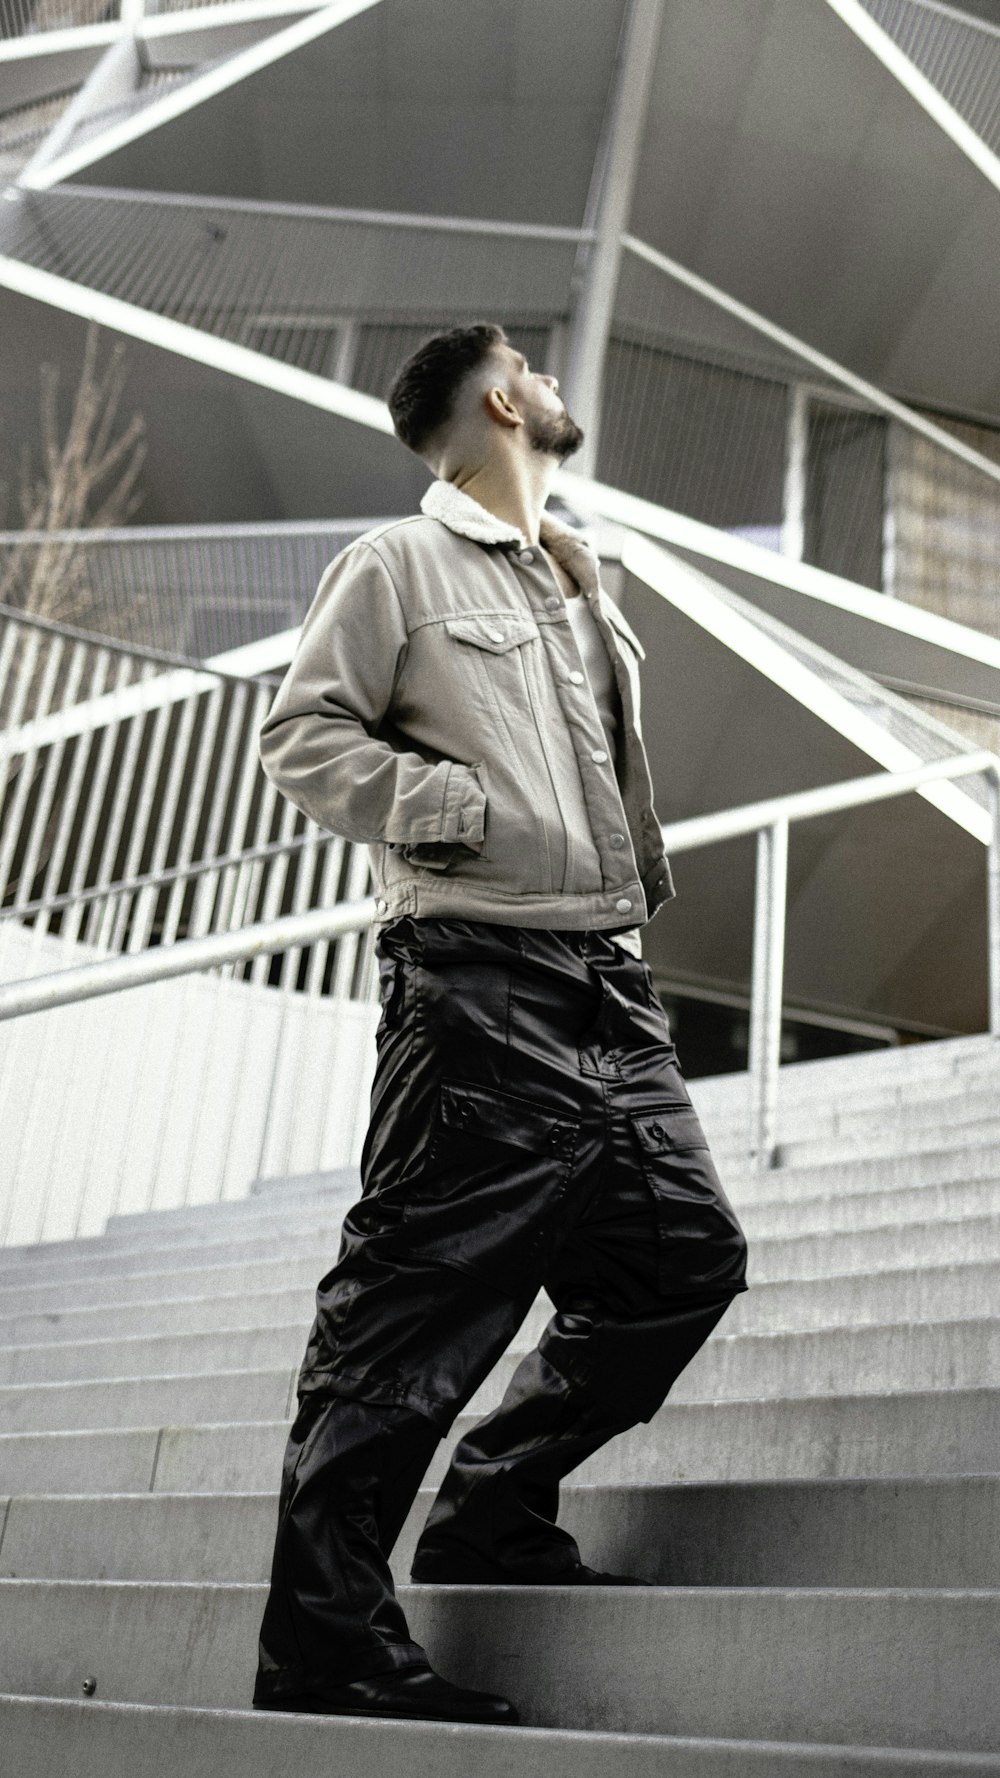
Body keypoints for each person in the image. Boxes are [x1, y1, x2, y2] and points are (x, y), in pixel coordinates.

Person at [251, 323, 749, 1726]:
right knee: (413, 1314)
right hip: (476, 982)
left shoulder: (583, 578)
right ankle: (324, 1640)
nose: (549, 381)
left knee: (682, 1259)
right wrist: (447, 808)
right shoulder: (396, 566)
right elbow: (301, 734)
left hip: (608, 988)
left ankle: (492, 1505)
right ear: (500, 394)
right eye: (534, 360)